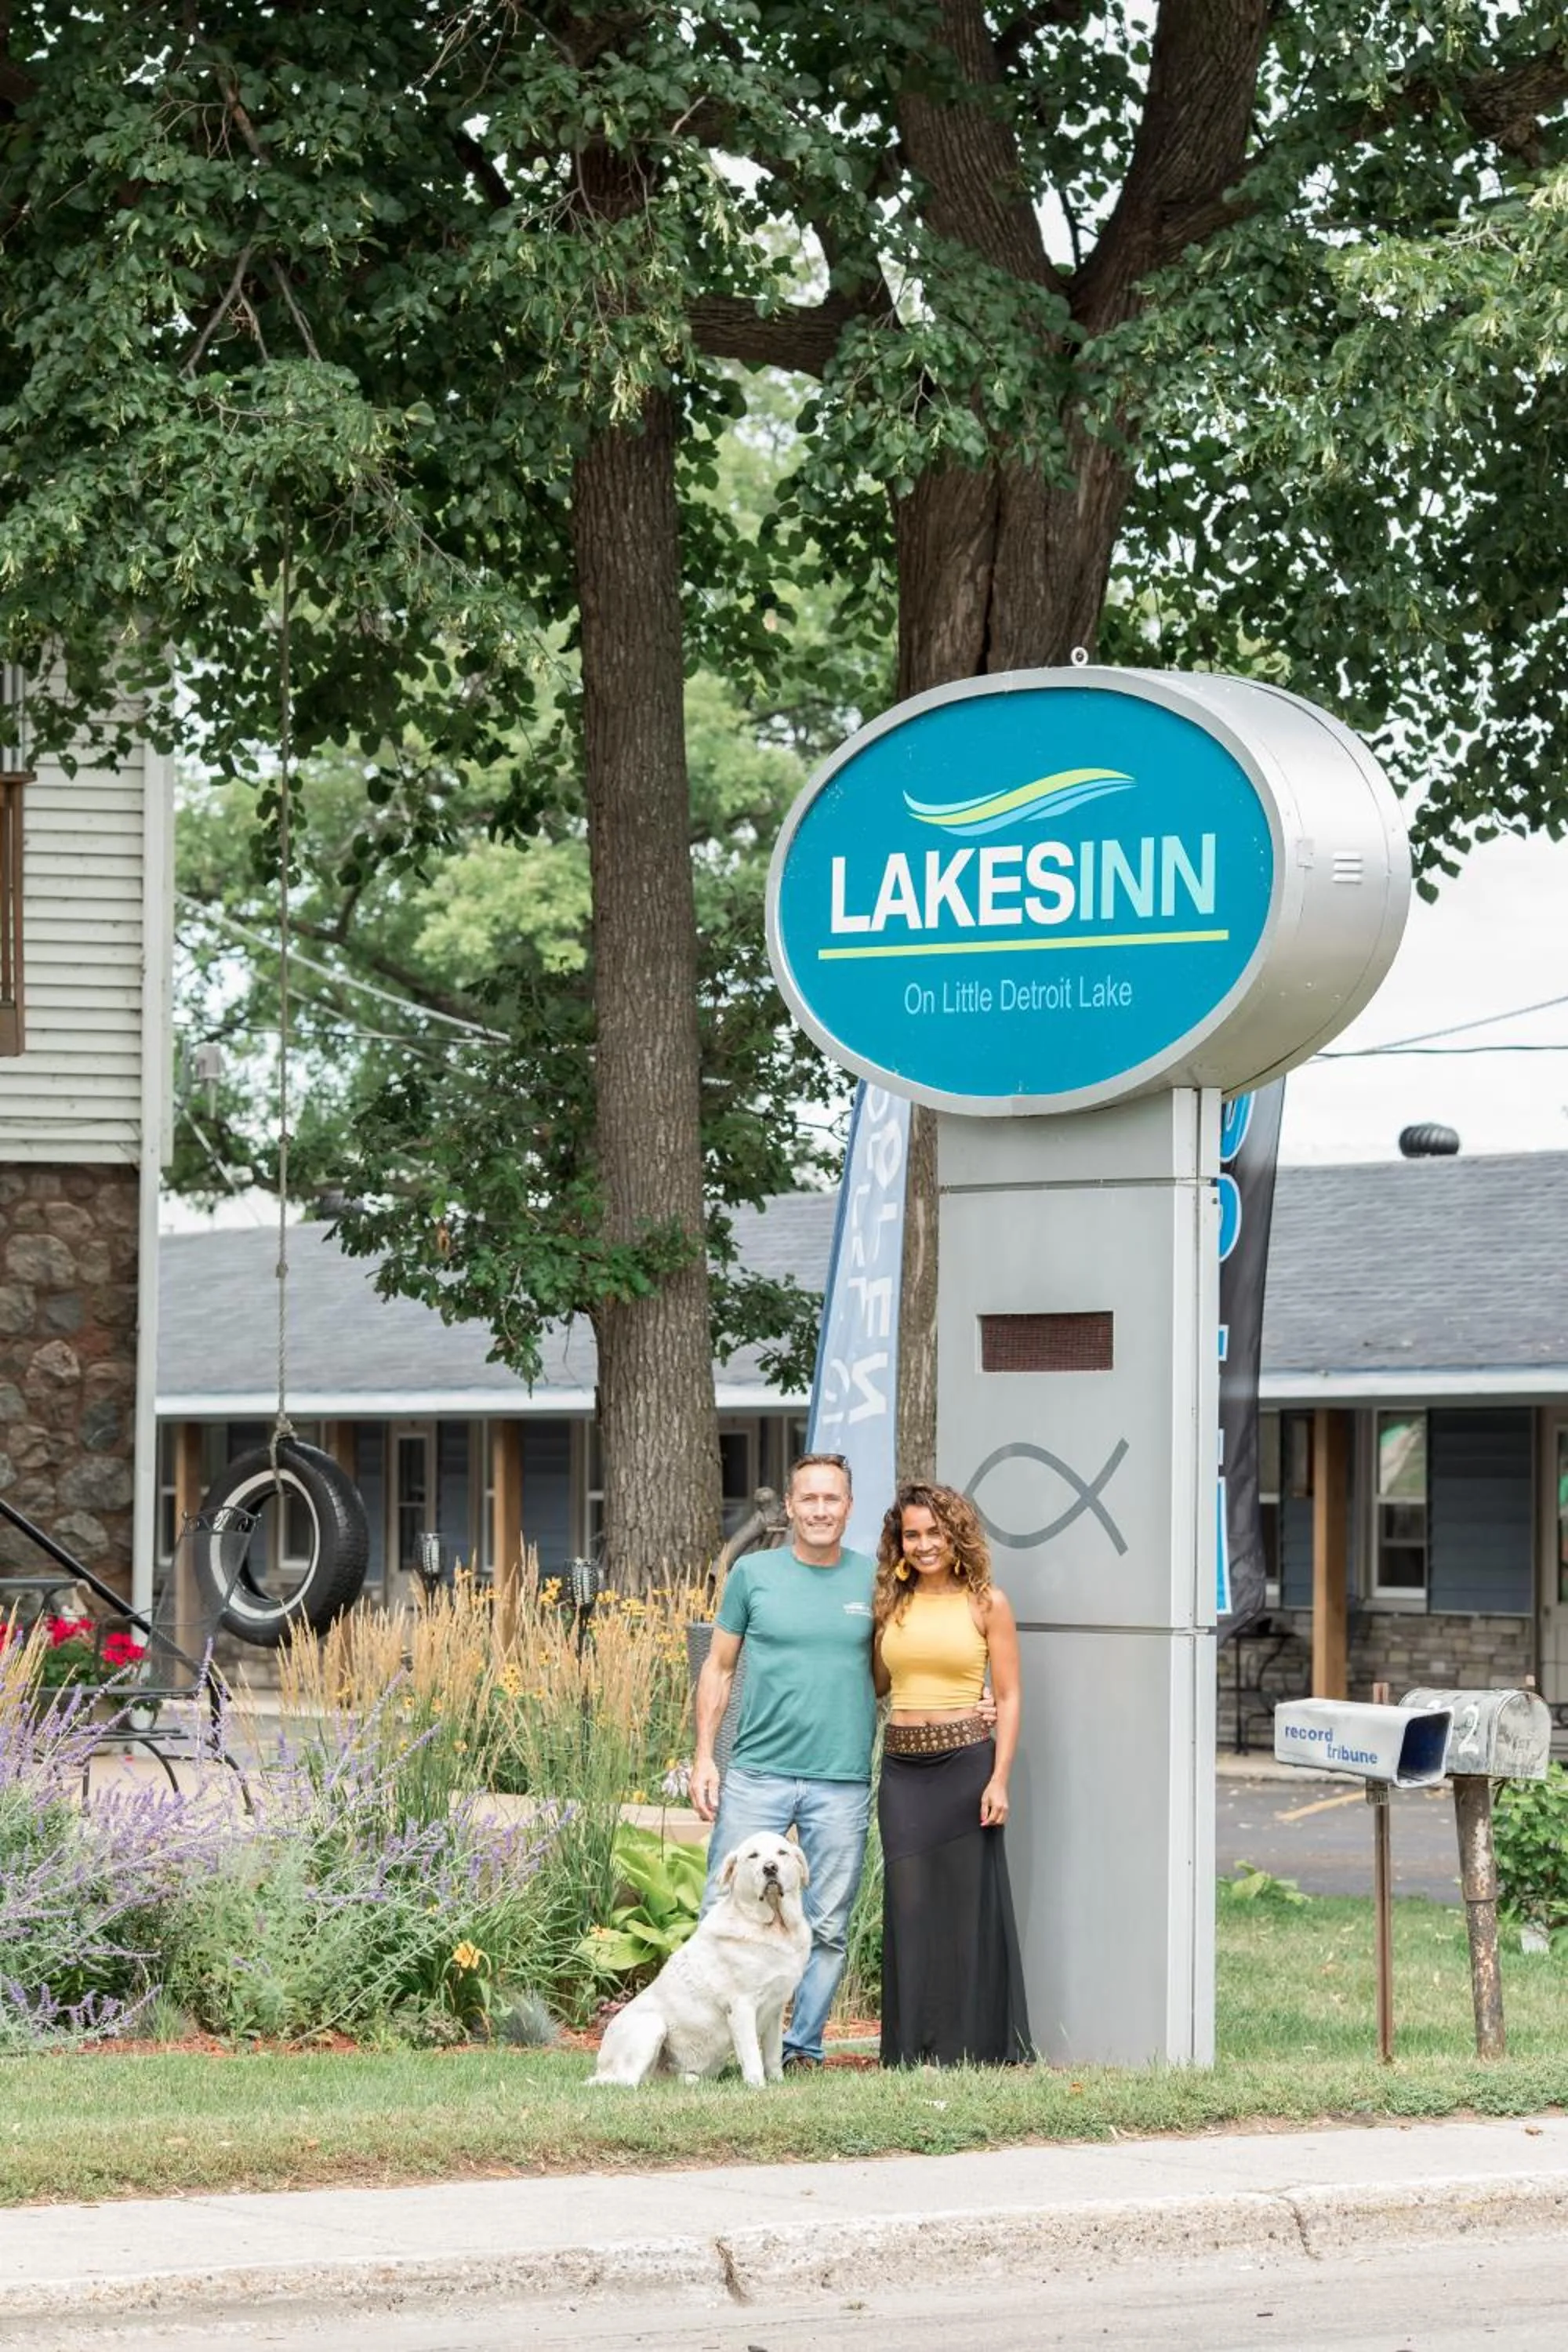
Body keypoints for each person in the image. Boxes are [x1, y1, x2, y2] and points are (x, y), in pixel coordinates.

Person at [690, 1453, 877, 2071]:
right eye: (810, 1499)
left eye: (833, 1499)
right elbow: (717, 1669)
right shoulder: (753, 1574)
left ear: (849, 1507)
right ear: (790, 1508)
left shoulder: (874, 1581)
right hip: (756, 1772)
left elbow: (900, 1663)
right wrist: (703, 1759)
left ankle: (800, 2049)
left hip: (841, 1780)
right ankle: (704, 2046)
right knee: (720, 1910)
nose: (821, 1510)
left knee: (826, 1923)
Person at [872, 1482, 1033, 2067]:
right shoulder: (892, 1602)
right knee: (910, 1908)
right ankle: (910, 2050)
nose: (924, 1545)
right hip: (902, 1771)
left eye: (934, 1532)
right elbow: (879, 1683)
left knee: (966, 1910)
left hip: (967, 1767)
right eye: (912, 1535)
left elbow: (1011, 1698)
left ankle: (973, 2048)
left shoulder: (987, 1602)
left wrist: (1000, 1778)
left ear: (955, 1533)